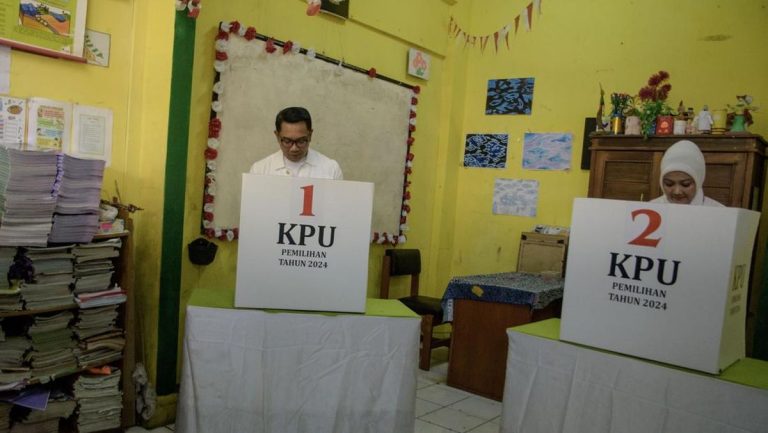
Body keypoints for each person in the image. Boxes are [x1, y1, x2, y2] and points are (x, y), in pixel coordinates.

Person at [249, 106, 343, 180]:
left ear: (310, 135)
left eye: (301, 141)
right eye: (287, 141)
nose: (294, 148)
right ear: (277, 136)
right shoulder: (259, 170)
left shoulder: (331, 169)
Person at [650, 140, 724, 206]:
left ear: (698, 181)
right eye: (669, 184)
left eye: (686, 184)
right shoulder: (650, 209)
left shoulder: (719, 213)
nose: (677, 192)